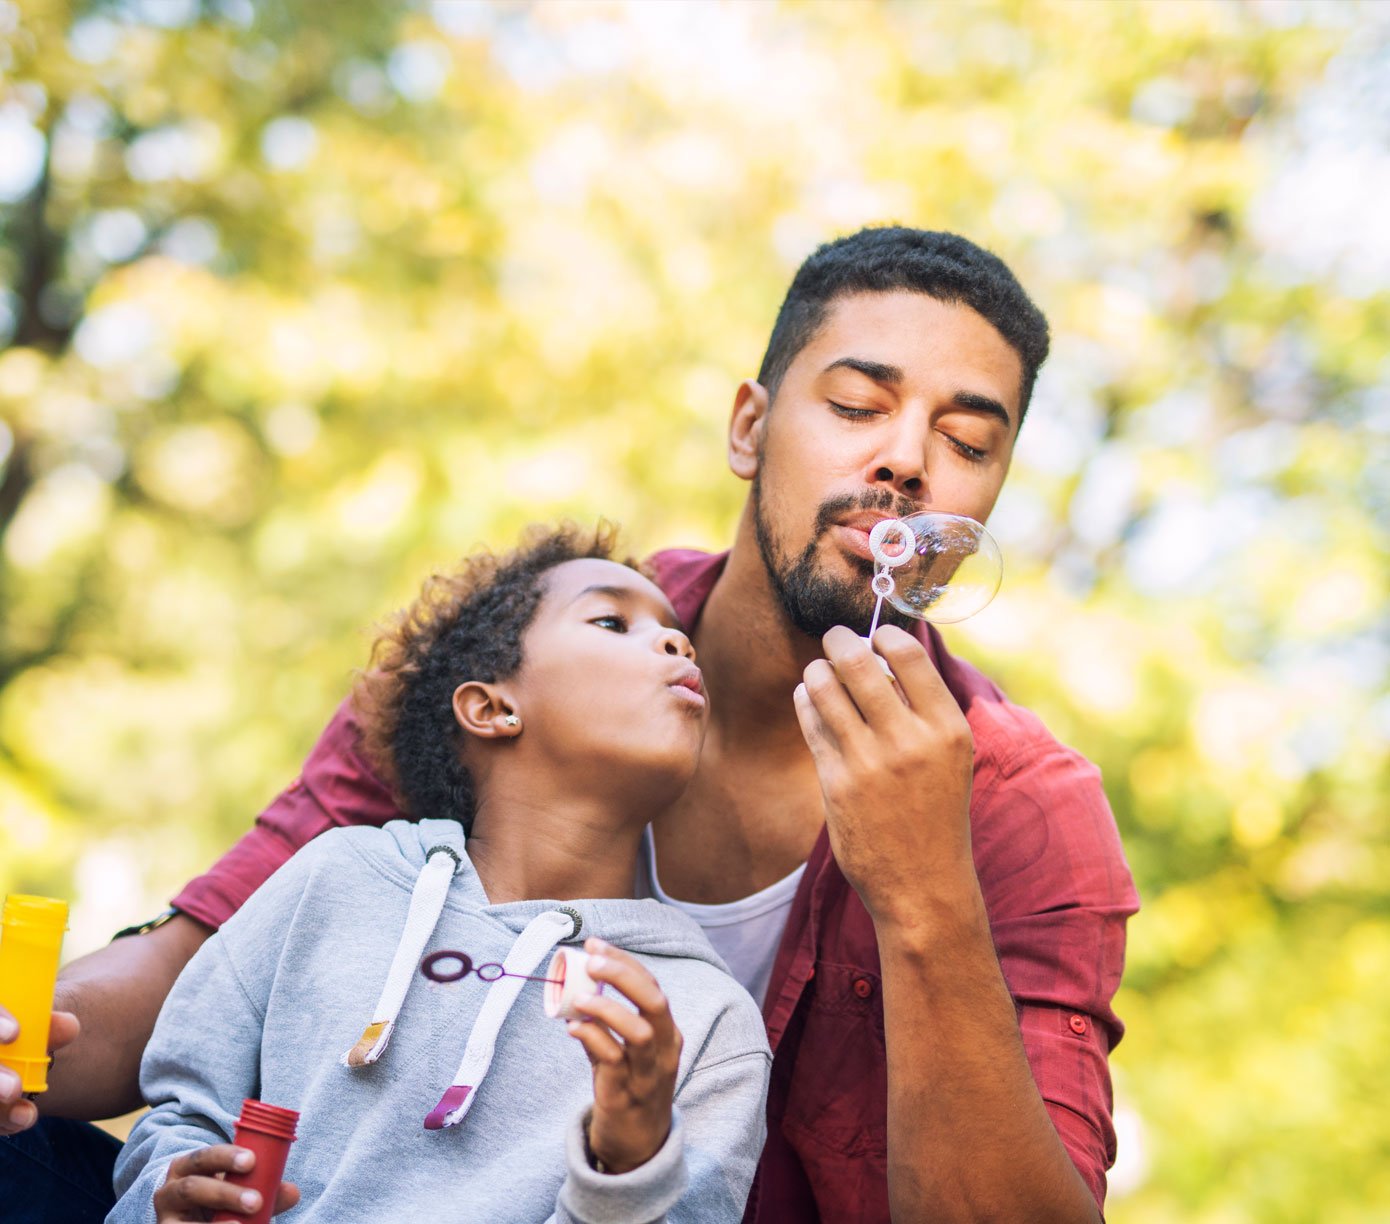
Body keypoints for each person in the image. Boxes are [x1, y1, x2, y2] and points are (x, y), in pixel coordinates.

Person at [3, 226, 1138, 1223]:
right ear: (749, 428)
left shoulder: (1023, 811)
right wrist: (12, 1038)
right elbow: (200, 976)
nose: (903, 460)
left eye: (968, 442)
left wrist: (927, 893)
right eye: (855, 406)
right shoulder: (530, 659)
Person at [107, 524, 770, 1222]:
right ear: (492, 707)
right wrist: (167, 1198)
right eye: (612, 621)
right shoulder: (334, 882)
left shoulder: (703, 1021)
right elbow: (179, 1117)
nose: (677, 644)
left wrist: (629, 1167)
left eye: (675, 635)